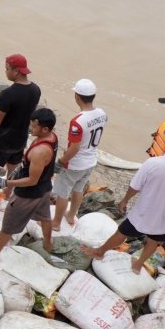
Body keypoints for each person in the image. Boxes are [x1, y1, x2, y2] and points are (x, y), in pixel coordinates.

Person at [83, 126, 165, 273]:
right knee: (154, 240)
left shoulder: (153, 163)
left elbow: (135, 186)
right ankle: (138, 264)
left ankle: (100, 252)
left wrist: (124, 200)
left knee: (122, 232)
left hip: (145, 211)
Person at [0, 108, 59, 261]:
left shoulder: (40, 151)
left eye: (34, 126)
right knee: (45, 216)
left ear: (45, 128)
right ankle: (48, 244)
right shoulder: (52, 137)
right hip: (45, 188)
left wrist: (7, 182)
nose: (31, 128)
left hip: (28, 194)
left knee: (9, 223)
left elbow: (32, 180)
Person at [0, 54, 41, 208]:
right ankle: (7, 195)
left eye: (7, 69)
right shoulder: (35, 90)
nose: (5, 72)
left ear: (16, 71)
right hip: (20, 139)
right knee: (12, 168)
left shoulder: (8, 94)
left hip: (1, 140)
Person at [51, 79, 107, 231]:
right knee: (78, 189)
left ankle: (55, 223)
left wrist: (61, 161)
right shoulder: (102, 114)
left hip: (75, 163)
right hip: (91, 160)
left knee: (62, 191)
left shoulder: (78, 121)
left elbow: (74, 147)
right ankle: (70, 215)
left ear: (77, 96)